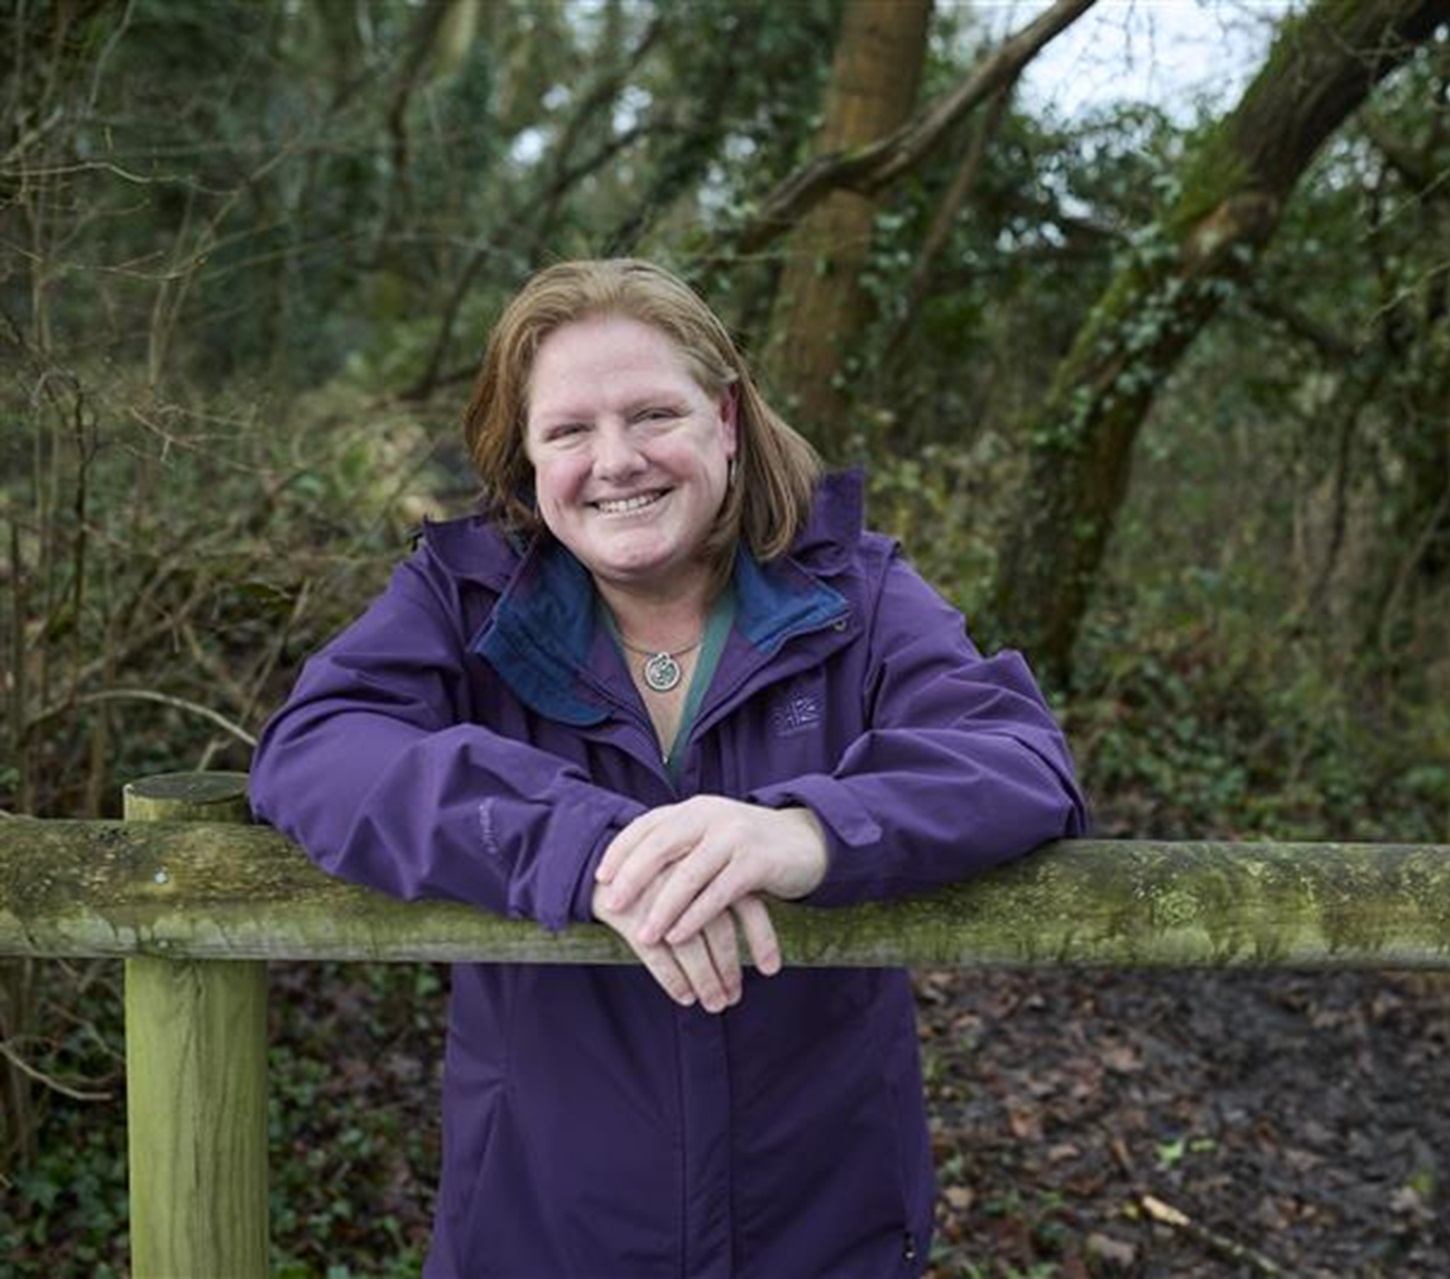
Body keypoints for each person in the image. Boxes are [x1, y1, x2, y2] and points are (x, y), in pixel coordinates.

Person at [249, 258, 1088, 1277]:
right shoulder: (462, 599)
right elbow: (317, 746)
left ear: (725, 417)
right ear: (524, 452)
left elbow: (1014, 757)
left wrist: (804, 831)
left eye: (654, 414)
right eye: (568, 430)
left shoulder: (853, 591)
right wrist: (581, 846)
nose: (617, 461)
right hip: (542, 1233)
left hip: (824, 1229)